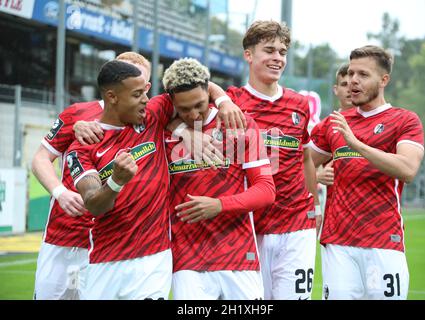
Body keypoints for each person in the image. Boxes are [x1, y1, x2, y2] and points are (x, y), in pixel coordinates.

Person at [209, 20, 322, 300]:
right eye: (269, 50)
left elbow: (305, 155)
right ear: (249, 55)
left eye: (282, 52)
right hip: (247, 226)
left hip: (296, 223)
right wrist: (219, 97)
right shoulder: (231, 101)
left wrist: (315, 205)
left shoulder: (300, 104)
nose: (277, 58)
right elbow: (187, 89)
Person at [31, 52, 151, 300]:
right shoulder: (78, 114)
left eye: (142, 86)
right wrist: (60, 192)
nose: (141, 95)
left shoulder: (149, 121)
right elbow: (40, 158)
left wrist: (222, 101)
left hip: (108, 243)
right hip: (62, 235)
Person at [310, 45, 425, 300]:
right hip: (337, 243)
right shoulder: (334, 122)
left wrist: (357, 145)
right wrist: (314, 206)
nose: (353, 81)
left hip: (383, 241)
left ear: (384, 80)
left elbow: (407, 169)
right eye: (350, 74)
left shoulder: (404, 120)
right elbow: (302, 162)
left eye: (363, 75)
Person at [161, 58, 276, 300]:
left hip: (238, 256)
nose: (193, 114)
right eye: (184, 109)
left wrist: (219, 205)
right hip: (187, 260)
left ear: (209, 92)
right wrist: (181, 130)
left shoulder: (240, 124)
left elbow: (266, 190)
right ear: (171, 103)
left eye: (199, 105)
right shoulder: (162, 132)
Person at [66, 60, 175, 300]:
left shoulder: (152, 116)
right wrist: (116, 181)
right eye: (137, 94)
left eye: (146, 92)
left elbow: (197, 86)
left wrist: (223, 101)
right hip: (105, 263)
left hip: (153, 258)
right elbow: (94, 204)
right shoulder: (81, 148)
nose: (146, 99)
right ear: (112, 96)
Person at [313, 63, 353, 237]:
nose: (350, 89)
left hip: (376, 225)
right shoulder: (325, 127)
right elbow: (300, 164)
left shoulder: (379, 123)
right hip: (336, 224)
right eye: (344, 84)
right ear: (336, 90)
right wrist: (316, 177)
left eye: (354, 84)